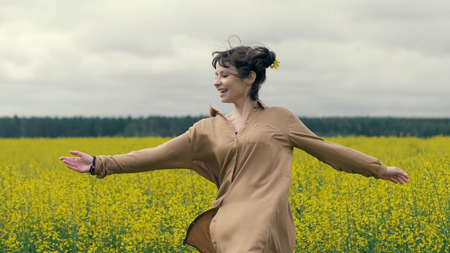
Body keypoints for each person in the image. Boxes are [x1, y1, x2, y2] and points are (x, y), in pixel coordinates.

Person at [59, 44, 409, 253]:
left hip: (268, 224)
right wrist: (99, 164)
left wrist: (379, 169)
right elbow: (158, 154)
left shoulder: (280, 119)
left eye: (225, 74)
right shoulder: (207, 128)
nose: (217, 82)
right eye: (216, 75)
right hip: (229, 224)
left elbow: (328, 150)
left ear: (250, 78)